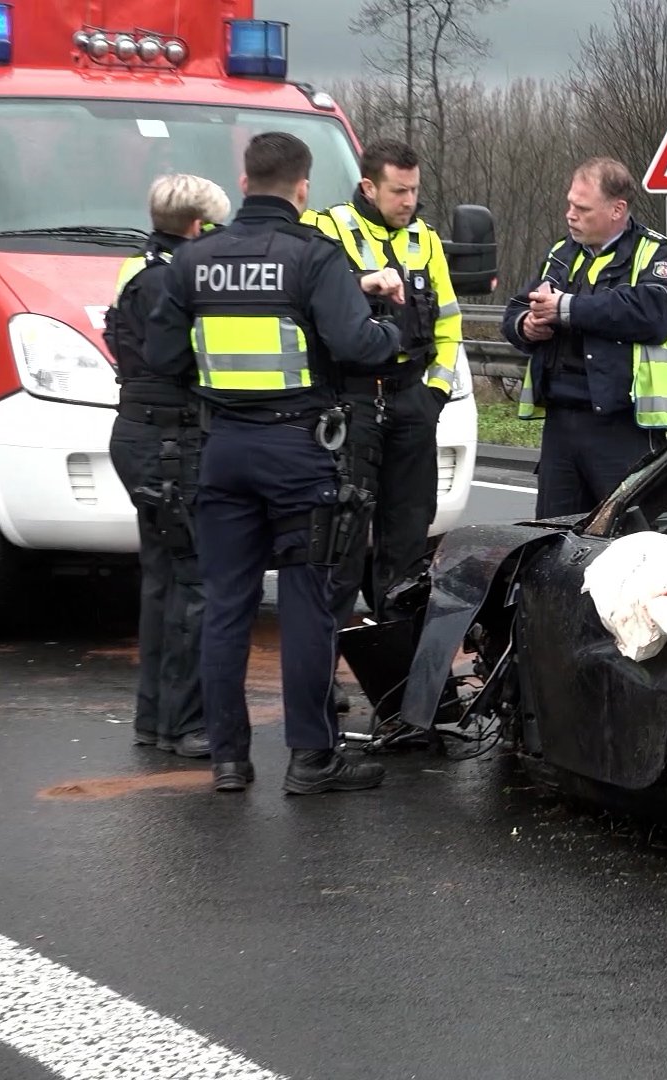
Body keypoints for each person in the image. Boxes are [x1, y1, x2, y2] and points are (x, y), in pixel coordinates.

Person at [145, 131, 406, 795]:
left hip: (223, 449)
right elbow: (358, 346)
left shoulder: (194, 260)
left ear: (242, 180)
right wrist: (392, 331)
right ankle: (311, 760)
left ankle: (229, 761)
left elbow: (164, 358)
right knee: (306, 607)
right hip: (297, 450)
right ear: (302, 187)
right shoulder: (311, 257)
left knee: (227, 605)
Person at [304, 139, 460, 639]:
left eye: (414, 190)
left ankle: (397, 676)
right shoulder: (325, 229)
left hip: (411, 399)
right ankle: (323, 674)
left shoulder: (426, 239)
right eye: (399, 191)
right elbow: (305, 299)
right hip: (352, 401)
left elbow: (449, 324)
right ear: (369, 187)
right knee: (341, 539)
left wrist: (433, 394)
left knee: (409, 541)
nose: (409, 201)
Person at [105, 173, 232, 759]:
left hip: (142, 433)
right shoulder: (175, 281)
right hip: (171, 441)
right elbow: (195, 360)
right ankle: (183, 725)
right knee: (195, 583)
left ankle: (154, 719)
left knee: (163, 581)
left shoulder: (139, 267)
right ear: (198, 226)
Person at [500, 157, 667, 518]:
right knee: (552, 541)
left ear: (617, 209)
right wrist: (527, 324)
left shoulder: (657, 255)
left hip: (624, 429)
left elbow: (649, 313)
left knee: (626, 544)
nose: (570, 214)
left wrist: (567, 309)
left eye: (582, 207)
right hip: (561, 425)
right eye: (570, 203)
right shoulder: (562, 253)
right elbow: (514, 309)